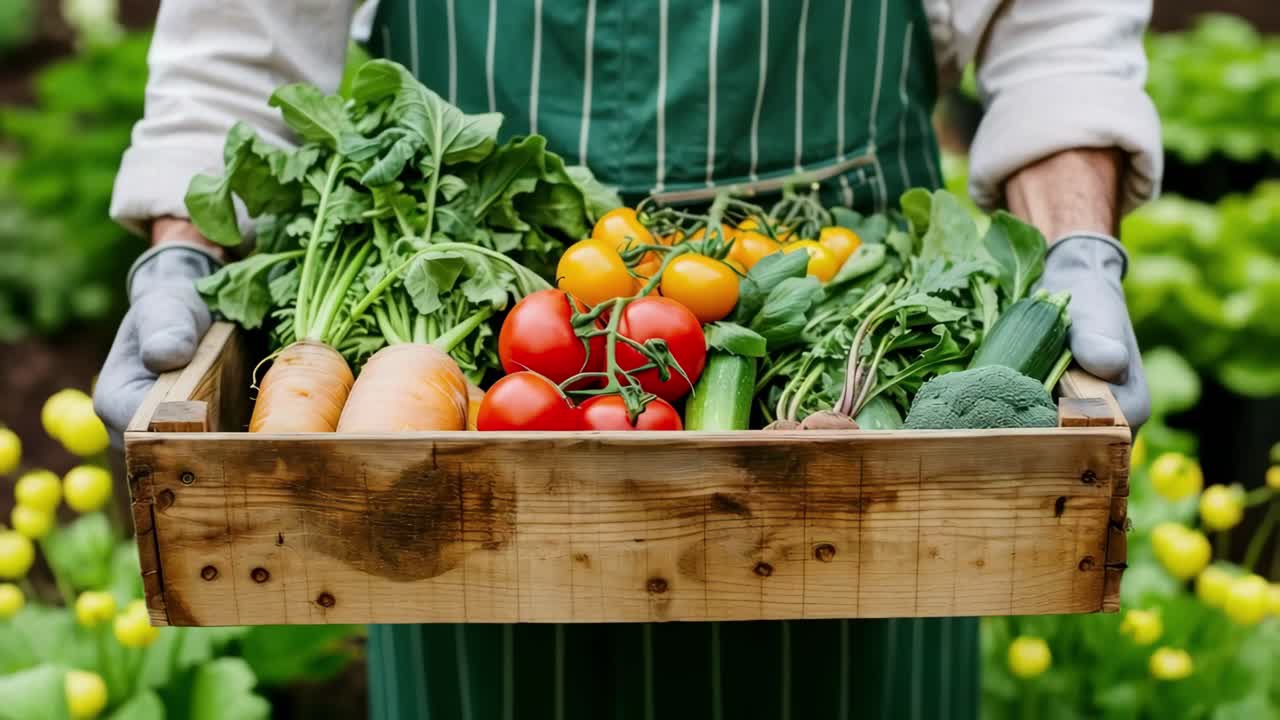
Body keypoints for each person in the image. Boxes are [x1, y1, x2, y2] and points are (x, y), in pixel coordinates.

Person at [97, 1, 1159, 717]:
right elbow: (246, 28)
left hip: (824, 295)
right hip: (489, 354)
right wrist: (183, 258)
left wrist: (1074, 241)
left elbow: (1053, 20)